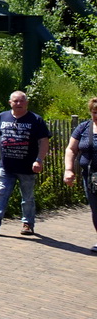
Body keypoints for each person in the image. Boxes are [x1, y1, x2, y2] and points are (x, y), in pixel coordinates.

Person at [0, 90, 50, 235]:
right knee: (1, 193)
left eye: (21, 101)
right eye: (15, 101)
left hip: (27, 167)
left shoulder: (35, 120)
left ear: (26, 103)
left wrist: (39, 160)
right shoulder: (2, 117)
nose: (18, 104)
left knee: (27, 197)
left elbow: (44, 141)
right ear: (10, 102)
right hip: (6, 165)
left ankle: (27, 224)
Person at [62, 97, 97, 253]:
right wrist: (69, 170)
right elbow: (71, 149)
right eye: (95, 112)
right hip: (91, 177)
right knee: (96, 209)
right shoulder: (83, 128)